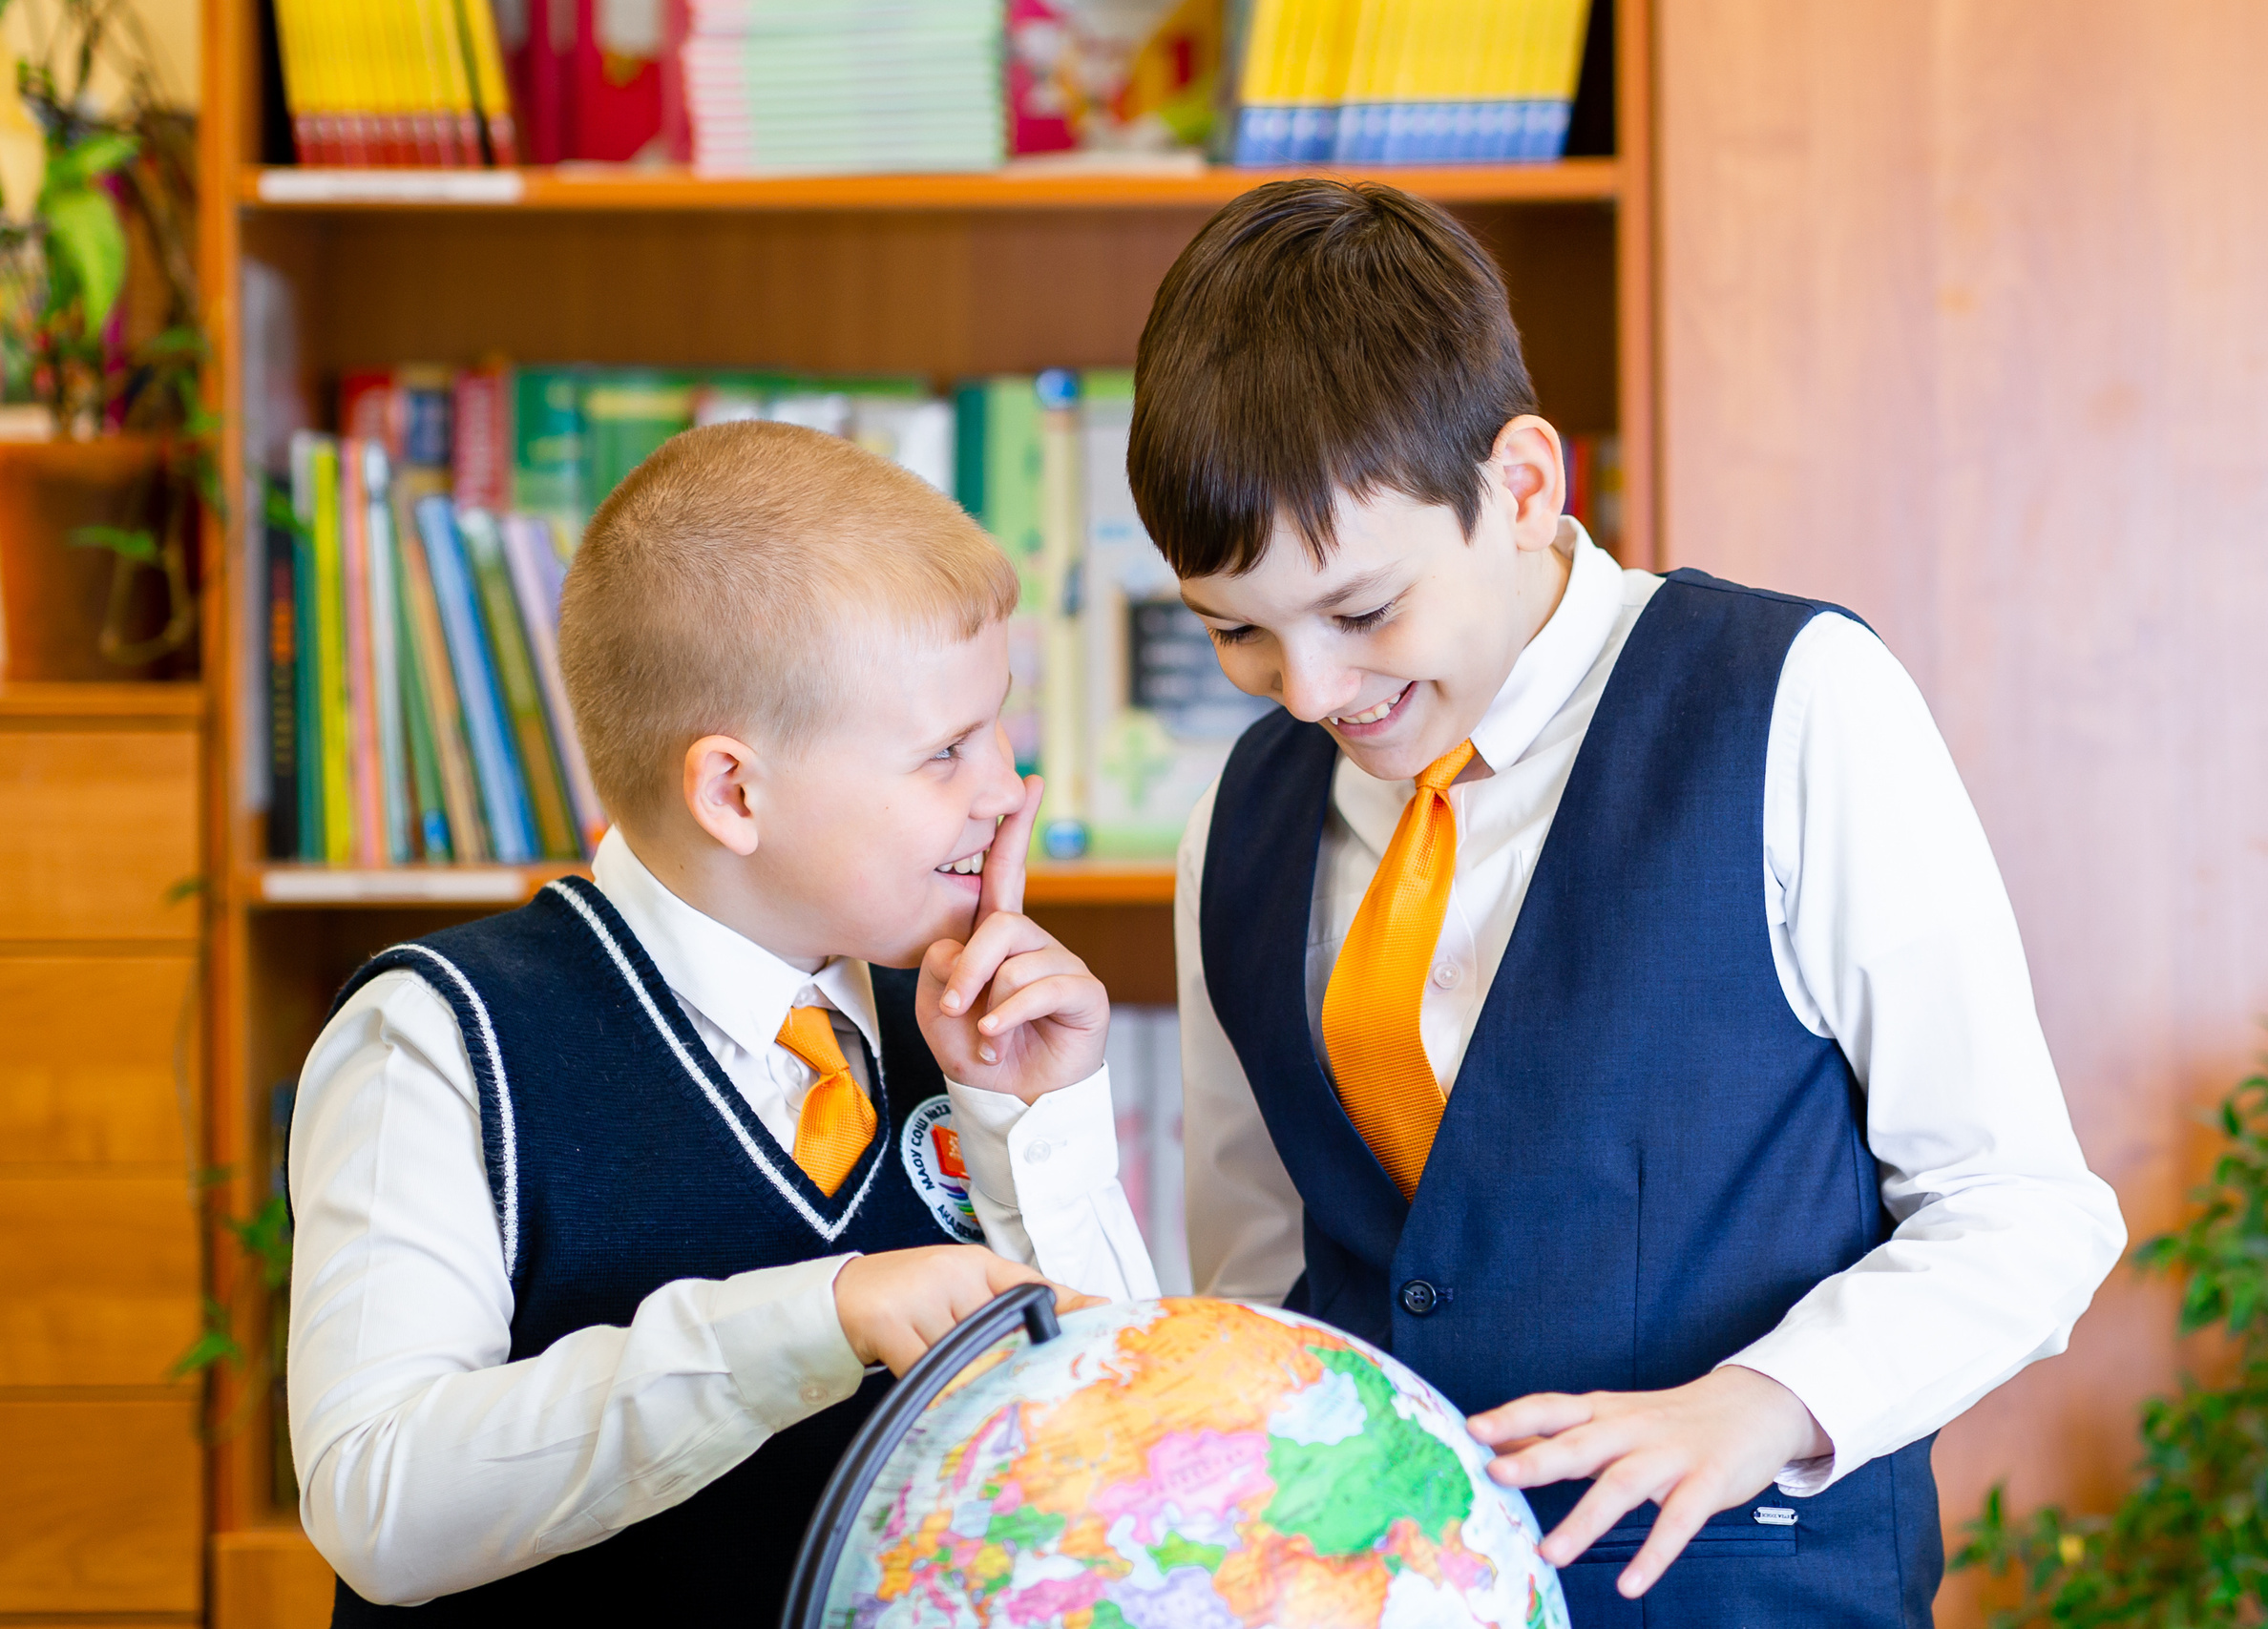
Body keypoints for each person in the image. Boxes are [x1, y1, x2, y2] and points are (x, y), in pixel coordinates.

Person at [1126, 178, 2125, 1626]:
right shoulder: (1244, 812)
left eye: (1362, 612)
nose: (1311, 692)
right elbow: (1262, 1261)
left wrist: (1762, 1402)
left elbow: (2024, 1211)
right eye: (1235, 632)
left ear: (1526, 484)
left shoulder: (1793, 701)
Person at [284, 422, 1159, 1624]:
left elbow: (1124, 1463)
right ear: (734, 793)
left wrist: (1031, 1125)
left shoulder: (962, 1024)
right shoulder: (443, 1040)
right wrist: (813, 1318)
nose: (1004, 790)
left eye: (995, 727)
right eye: (945, 751)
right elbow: (377, 1503)